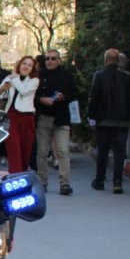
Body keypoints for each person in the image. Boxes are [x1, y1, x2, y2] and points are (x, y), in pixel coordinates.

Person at [87, 48, 130, 193]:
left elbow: (93, 98)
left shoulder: (99, 76)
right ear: (118, 61)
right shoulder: (129, 77)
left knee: (102, 151)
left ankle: (100, 180)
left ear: (106, 60)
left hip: (103, 121)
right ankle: (117, 182)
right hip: (122, 121)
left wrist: (92, 117)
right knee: (119, 152)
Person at [35, 49, 79, 195]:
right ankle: (42, 182)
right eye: (47, 58)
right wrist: (42, 99)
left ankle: (65, 183)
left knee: (62, 151)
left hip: (61, 118)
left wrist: (63, 97)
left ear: (59, 60)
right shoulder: (39, 76)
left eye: (53, 58)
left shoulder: (66, 75)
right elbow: (31, 95)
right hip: (44, 118)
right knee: (42, 152)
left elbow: (75, 93)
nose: (50, 61)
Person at [0, 56, 39, 174]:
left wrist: (14, 79)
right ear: (19, 65)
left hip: (27, 118)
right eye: (24, 63)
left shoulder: (34, 81)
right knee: (14, 151)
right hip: (11, 117)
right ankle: (15, 177)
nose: (26, 66)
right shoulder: (9, 78)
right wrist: (1, 90)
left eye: (29, 65)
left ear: (32, 69)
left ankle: (21, 175)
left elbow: (24, 91)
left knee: (25, 153)